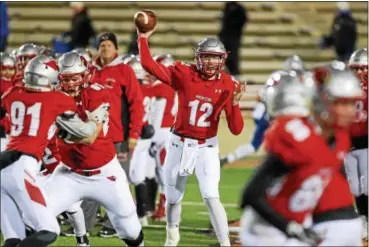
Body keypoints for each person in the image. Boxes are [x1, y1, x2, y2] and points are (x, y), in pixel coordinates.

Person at [138, 24, 246, 246]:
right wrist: (143, 38)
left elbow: (236, 129)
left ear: (222, 60)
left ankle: (225, 243)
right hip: (178, 144)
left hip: (206, 147)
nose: (209, 62)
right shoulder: (184, 73)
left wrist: (234, 105)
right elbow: (148, 65)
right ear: (198, 58)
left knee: (210, 195)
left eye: (214, 58)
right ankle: (171, 238)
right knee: (173, 198)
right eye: (206, 57)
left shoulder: (228, 84)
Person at [239, 69, 363, 246]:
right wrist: (290, 227)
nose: (350, 110)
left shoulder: (340, 136)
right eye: (342, 103)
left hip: (299, 222)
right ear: (321, 102)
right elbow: (250, 195)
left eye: (352, 103)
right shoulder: (297, 135)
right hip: (265, 231)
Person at [43, 51, 144, 247]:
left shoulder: (97, 92)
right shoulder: (53, 96)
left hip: (105, 173)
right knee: (36, 217)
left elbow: (90, 137)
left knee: (130, 232)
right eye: (66, 79)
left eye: (75, 78)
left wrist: (61, 130)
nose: (70, 84)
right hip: (69, 173)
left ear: (85, 76)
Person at [0, 55, 102, 247]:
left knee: (14, 239)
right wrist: (97, 119)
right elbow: (87, 133)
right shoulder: (57, 99)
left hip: (4, 164)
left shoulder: (13, 92)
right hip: (22, 166)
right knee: (49, 230)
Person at [81, 32, 144, 237]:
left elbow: (136, 103)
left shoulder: (124, 70)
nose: (105, 48)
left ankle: (114, 225)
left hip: (118, 137)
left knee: (118, 182)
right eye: (102, 45)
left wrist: (133, 133)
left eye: (109, 45)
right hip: (93, 137)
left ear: (116, 48)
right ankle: (84, 225)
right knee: (89, 180)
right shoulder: (89, 70)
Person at [344, 48, 368, 240]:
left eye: (362, 69)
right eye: (355, 69)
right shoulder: (345, 89)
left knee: (366, 185)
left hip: (366, 141)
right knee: (356, 187)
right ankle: (363, 219)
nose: (359, 73)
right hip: (349, 143)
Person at [218, 1, 248, 78]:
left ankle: (235, 75)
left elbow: (243, 20)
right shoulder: (227, 7)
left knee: (232, 56)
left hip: (234, 36)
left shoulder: (239, 8)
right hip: (225, 36)